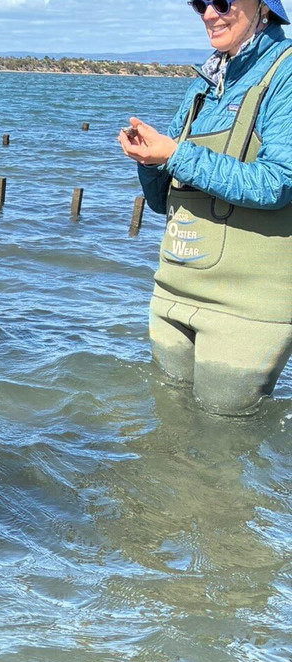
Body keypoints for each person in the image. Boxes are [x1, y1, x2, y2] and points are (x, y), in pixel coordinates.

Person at [119, 0, 292, 416]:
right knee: (167, 426)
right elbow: (161, 201)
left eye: (223, 1)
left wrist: (175, 154)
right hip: (173, 289)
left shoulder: (285, 72)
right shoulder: (205, 81)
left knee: (223, 438)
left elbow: (277, 183)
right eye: (200, 3)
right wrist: (149, 161)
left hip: (246, 305)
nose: (210, 13)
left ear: (263, 7)